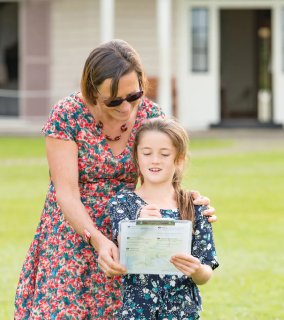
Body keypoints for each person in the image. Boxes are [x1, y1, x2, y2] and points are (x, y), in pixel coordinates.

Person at [14, 39, 216, 319]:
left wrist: (190, 204)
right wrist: (96, 239)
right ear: (92, 92)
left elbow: (163, 172)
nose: (126, 108)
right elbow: (66, 193)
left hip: (128, 228)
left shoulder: (150, 115)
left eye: (134, 96)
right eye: (114, 100)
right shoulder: (67, 115)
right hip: (71, 231)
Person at [108, 118, 219, 319]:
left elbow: (206, 271)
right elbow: (122, 250)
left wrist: (196, 271)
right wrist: (138, 224)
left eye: (164, 154)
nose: (155, 160)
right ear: (136, 156)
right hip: (136, 311)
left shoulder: (194, 206)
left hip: (182, 311)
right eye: (147, 153)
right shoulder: (122, 203)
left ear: (178, 159)